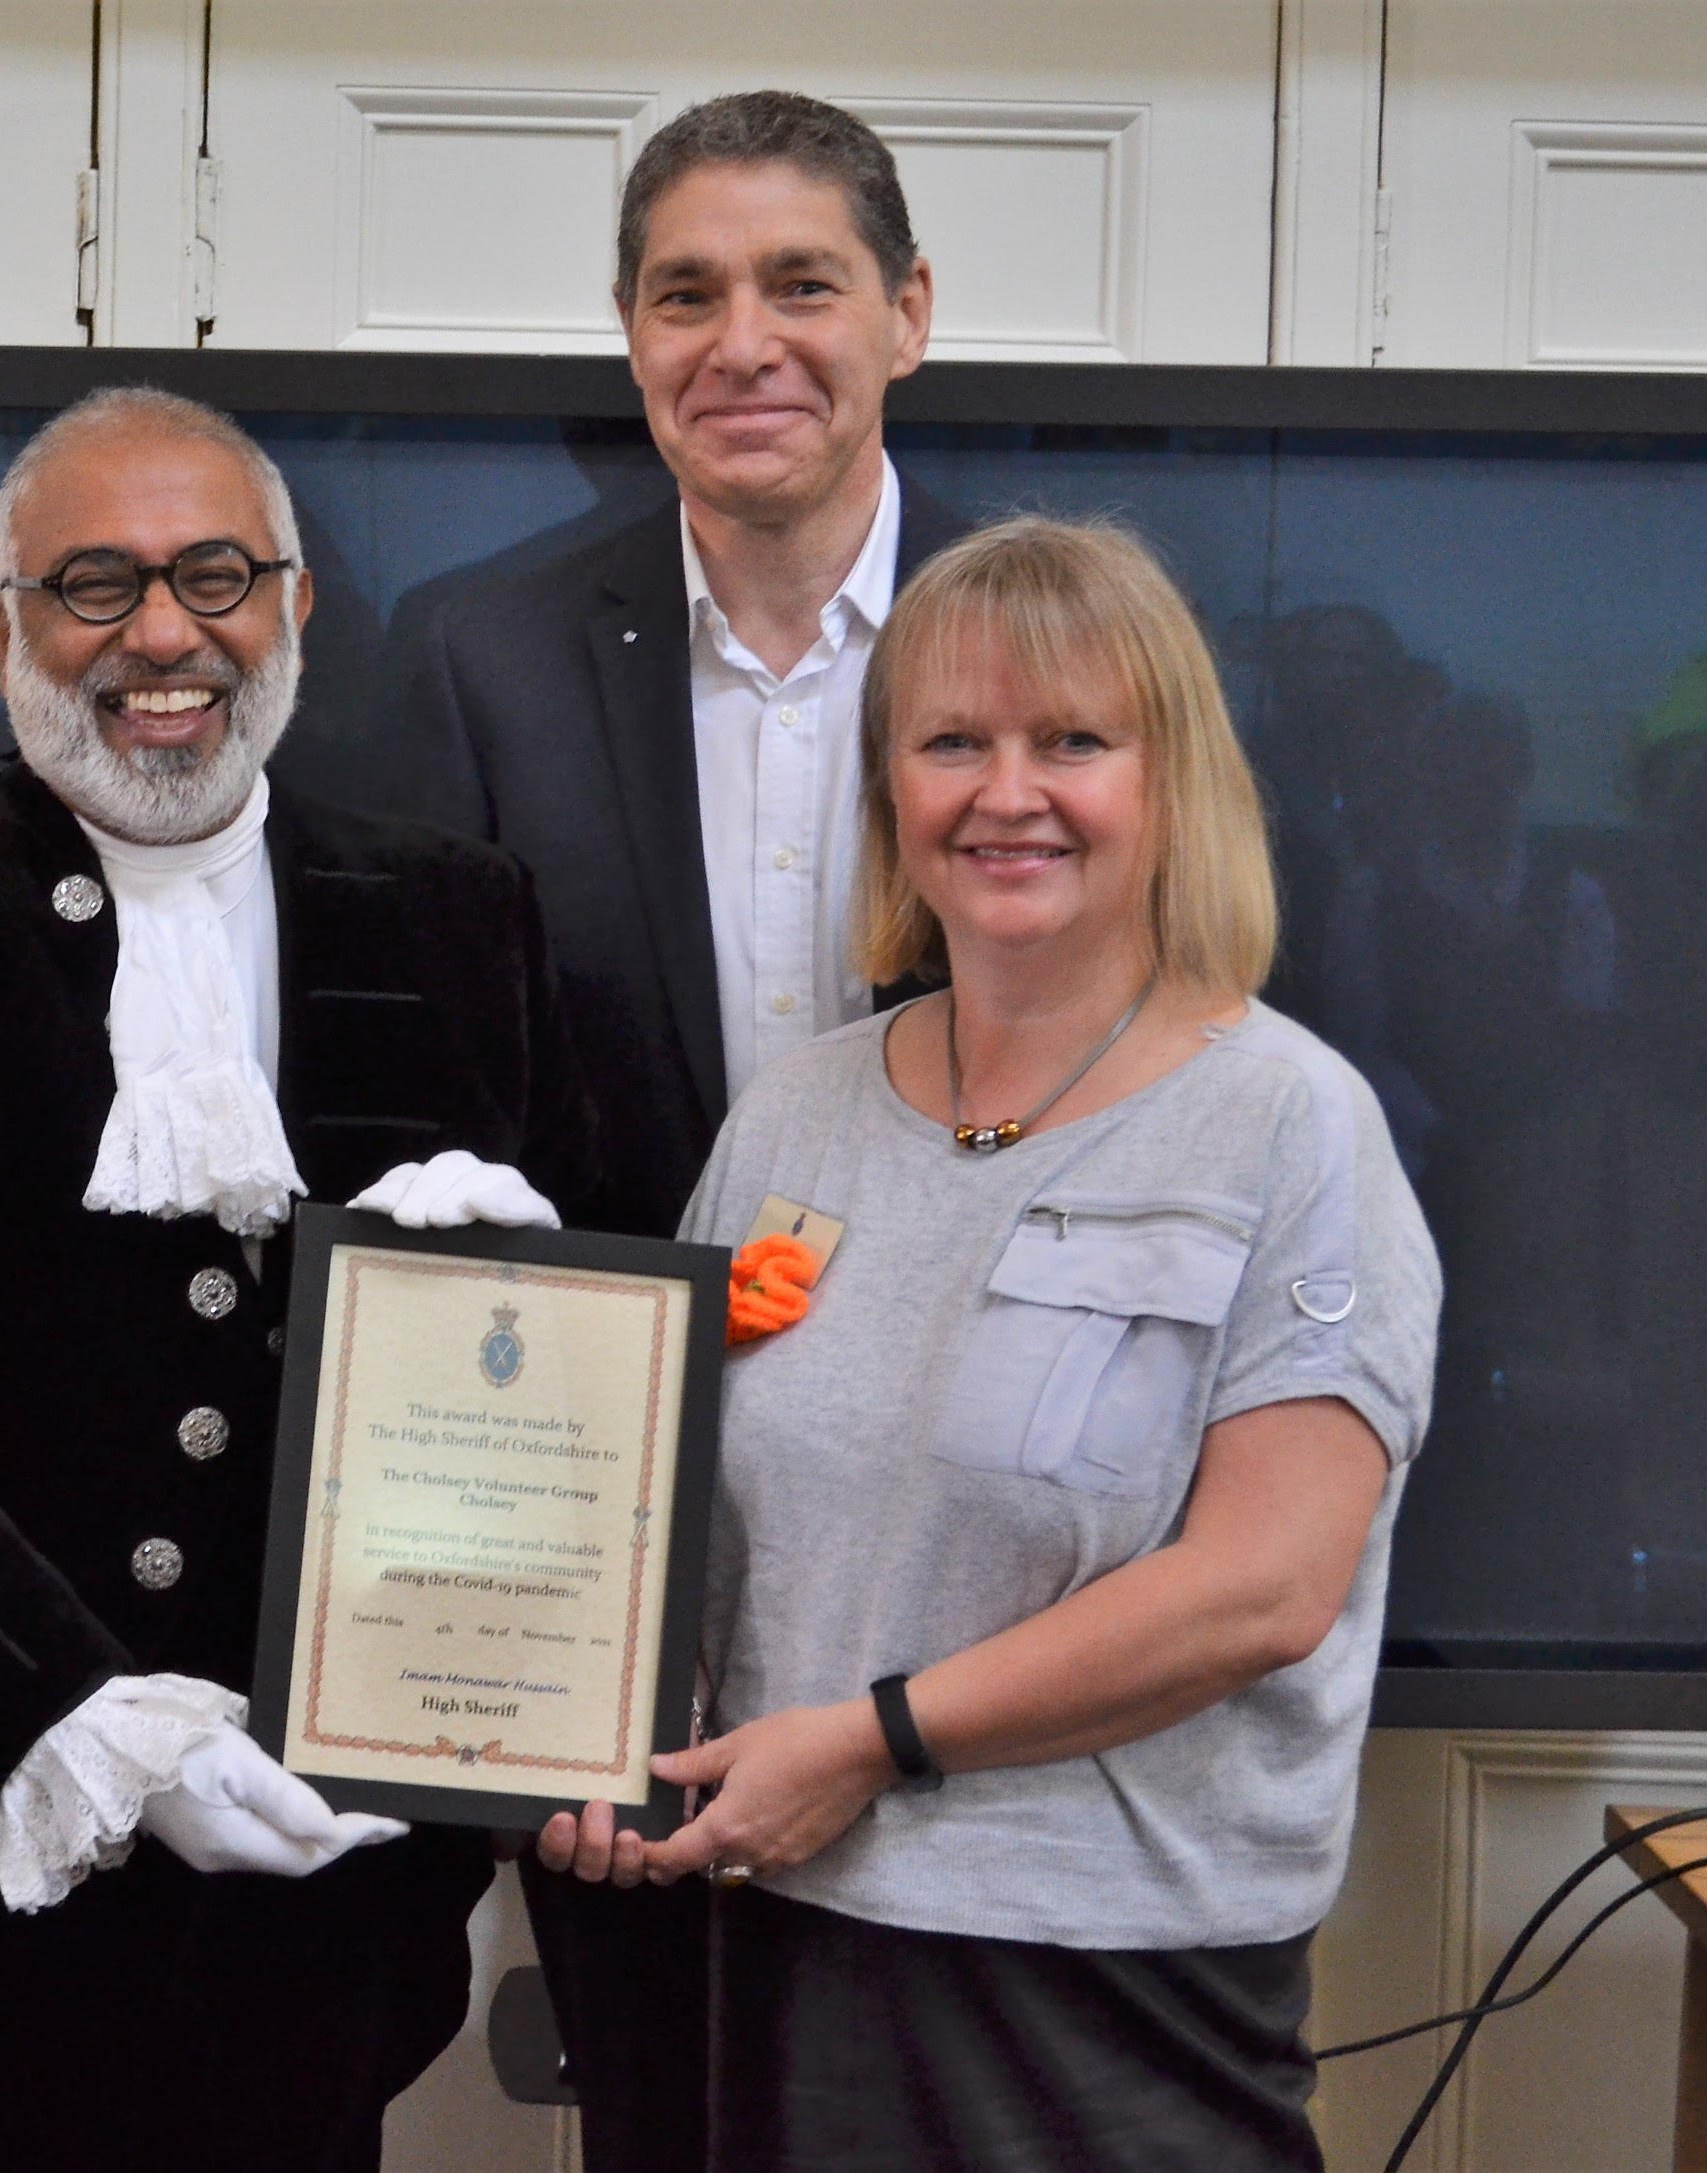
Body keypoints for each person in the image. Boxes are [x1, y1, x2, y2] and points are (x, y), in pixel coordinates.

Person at [0, 386, 598, 2171]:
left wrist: (521, 1310)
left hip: (316, 1926)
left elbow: (531, 1417)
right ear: (5, 621)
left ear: (297, 605)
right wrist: (77, 1719)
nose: (163, 633)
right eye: (93, 583)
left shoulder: (458, 921)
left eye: (214, 574)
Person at [540, 517, 1441, 2171]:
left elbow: (1265, 1585)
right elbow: (652, 1495)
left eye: (1073, 741)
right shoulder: (796, 1114)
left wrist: (873, 1738)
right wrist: (594, 1732)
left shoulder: (1289, 1124)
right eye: (952, 741)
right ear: (890, 791)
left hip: (1113, 1997)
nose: (1004, 791)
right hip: (785, 1939)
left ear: (1171, 784)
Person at [374, 89, 970, 2162]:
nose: (745, 341)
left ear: (905, 311)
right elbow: (424, 1130)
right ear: (630, 337)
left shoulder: (1047, 637)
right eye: (684, 292)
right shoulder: (482, 652)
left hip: (973, 1530)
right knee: (669, 2107)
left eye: (803, 283)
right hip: (610, 1551)